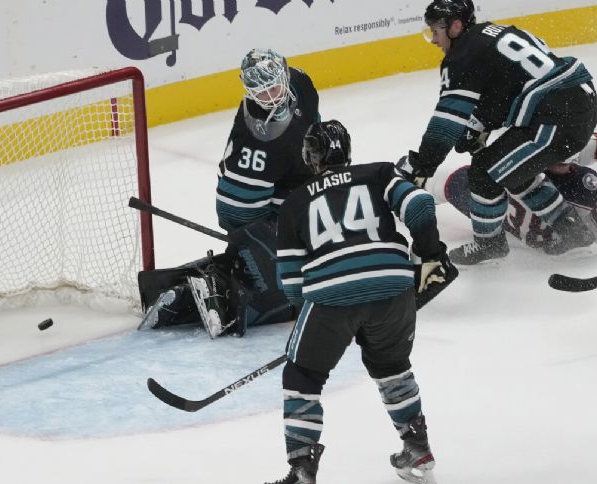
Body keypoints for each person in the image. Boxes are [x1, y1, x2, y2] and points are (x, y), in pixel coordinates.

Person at [266, 120, 456, 484]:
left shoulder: (294, 202)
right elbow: (418, 204)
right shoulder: (380, 174)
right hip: (395, 286)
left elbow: (290, 284)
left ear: (311, 157)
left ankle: (302, 468)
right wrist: (430, 252)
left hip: (330, 297)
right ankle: (418, 449)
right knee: (392, 366)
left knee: (302, 374)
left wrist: (325, 320)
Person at [398, 0, 597, 265]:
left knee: (483, 173)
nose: (434, 40)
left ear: (456, 26)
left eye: (436, 31)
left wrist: (422, 164)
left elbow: (445, 123)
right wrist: (481, 123)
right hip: (575, 106)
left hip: (555, 120)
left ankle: (489, 245)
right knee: (511, 170)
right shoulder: (497, 33)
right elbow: (507, 89)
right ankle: (574, 233)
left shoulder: (462, 56)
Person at [137, 48, 320, 338]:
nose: (271, 96)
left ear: (285, 74)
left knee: (282, 258)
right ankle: (212, 289)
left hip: (282, 191)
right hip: (246, 208)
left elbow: (311, 123)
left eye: (274, 85)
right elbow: (237, 210)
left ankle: (213, 278)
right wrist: (264, 236)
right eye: (261, 92)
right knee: (283, 298)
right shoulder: (257, 139)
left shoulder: (301, 83)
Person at [425, 131, 597, 253]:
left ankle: (409, 185)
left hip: (515, 230)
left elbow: (555, 150)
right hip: (550, 241)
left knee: (446, 180)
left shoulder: (515, 156)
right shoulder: (587, 186)